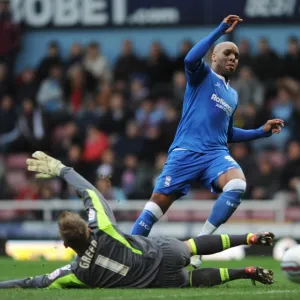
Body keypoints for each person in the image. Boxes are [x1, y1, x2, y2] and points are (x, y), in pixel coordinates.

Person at [130, 15, 284, 267]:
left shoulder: (232, 95)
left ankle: (199, 245)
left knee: (237, 184)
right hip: (186, 151)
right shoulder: (201, 76)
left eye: (236, 55)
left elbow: (228, 134)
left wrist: (260, 132)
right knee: (157, 205)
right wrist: (220, 30)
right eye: (227, 53)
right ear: (213, 57)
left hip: (214, 154)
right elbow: (190, 58)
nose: (233, 57)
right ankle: (129, 256)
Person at [0, 151, 274, 289]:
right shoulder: (102, 228)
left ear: (66, 245)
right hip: (162, 252)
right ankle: (249, 238)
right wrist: (62, 168)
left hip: (155, 280)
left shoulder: (77, 274)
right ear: (86, 226)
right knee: (191, 247)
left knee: (191, 281)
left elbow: (35, 282)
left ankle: (242, 273)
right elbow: (89, 192)